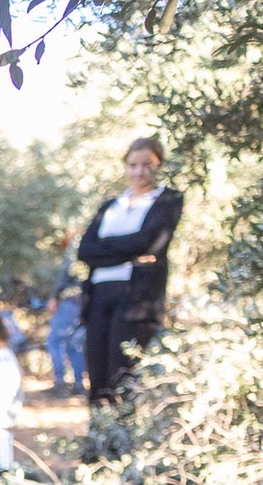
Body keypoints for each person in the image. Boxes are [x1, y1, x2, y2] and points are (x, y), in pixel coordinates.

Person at [76, 136, 183, 405]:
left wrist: (106, 250)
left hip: (136, 299)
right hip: (99, 295)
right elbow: (85, 251)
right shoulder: (109, 206)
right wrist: (130, 255)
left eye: (148, 165)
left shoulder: (168, 200)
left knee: (123, 374)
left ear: (159, 166)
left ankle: (123, 441)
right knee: (97, 374)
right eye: (133, 165)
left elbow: (150, 242)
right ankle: (97, 441)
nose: (139, 172)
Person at [45, 245, 88, 397]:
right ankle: (78, 384)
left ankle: (60, 382)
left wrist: (55, 296)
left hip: (70, 302)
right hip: (85, 303)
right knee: (73, 345)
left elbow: (65, 274)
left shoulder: (78, 248)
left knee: (54, 341)